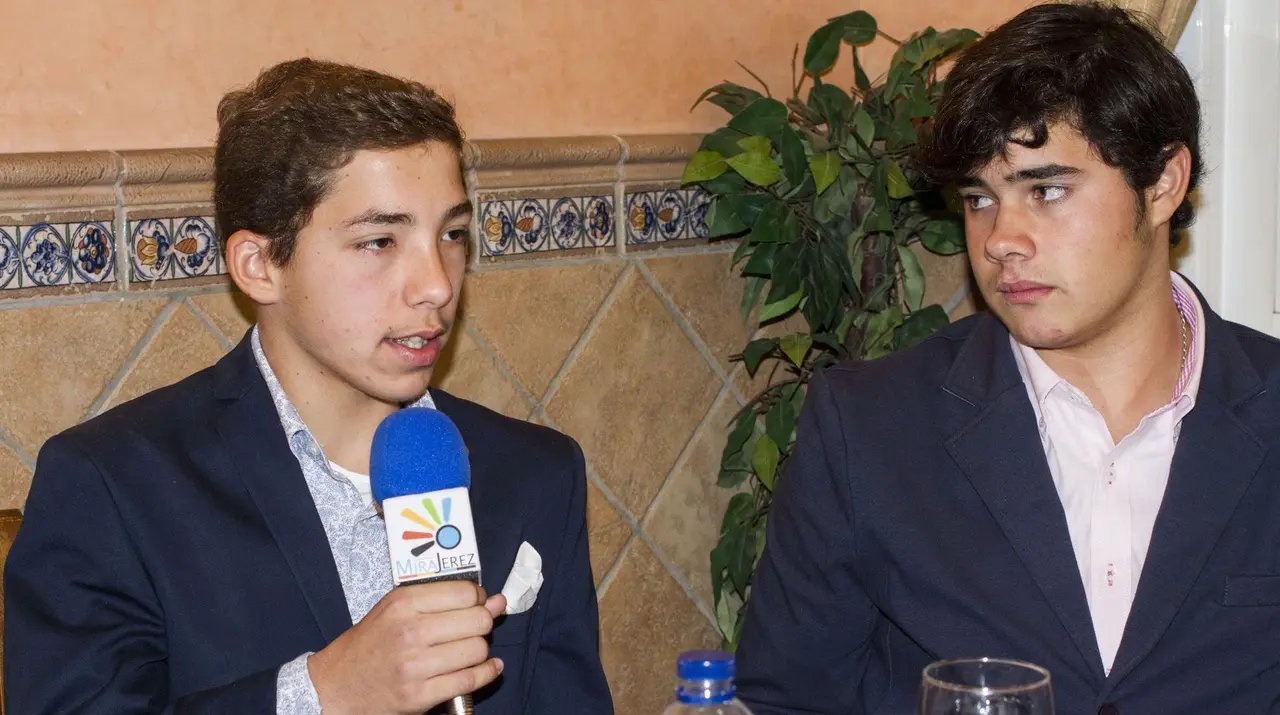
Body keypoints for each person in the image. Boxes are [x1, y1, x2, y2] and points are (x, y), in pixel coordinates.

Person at [5, 58, 613, 715]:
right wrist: (327, 693)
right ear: (259, 265)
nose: (437, 284)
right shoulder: (111, 485)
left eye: (452, 235)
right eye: (380, 241)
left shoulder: (537, 473)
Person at [733, 3, 1280, 713]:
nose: (999, 239)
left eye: (1046, 190)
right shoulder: (868, 427)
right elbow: (785, 701)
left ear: (1162, 185)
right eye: (979, 198)